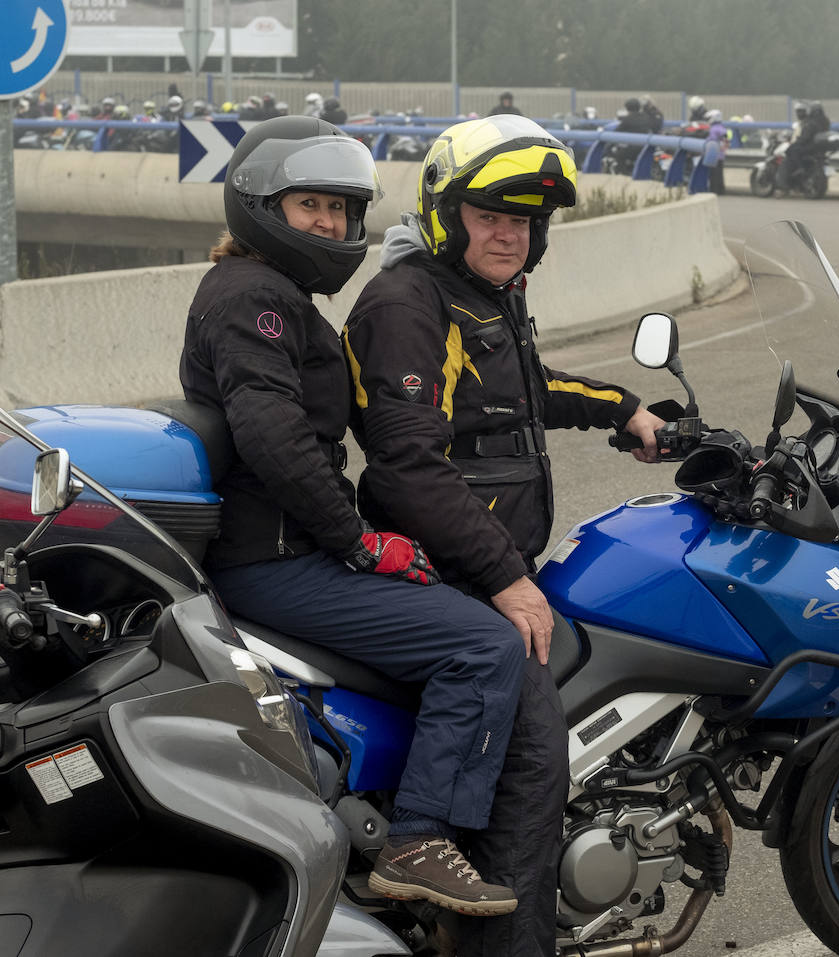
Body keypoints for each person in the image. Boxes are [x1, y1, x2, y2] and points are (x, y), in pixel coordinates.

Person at [179, 115, 527, 919]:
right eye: (311, 206)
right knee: (484, 642)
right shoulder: (256, 296)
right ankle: (420, 837)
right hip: (275, 557)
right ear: (262, 204)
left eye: (341, 210)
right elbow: (273, 434)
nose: (331, 225)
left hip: (283, 547)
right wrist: (360, 541)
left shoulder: (273, 294)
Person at [341, 114, 665, 957]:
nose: (510, 233)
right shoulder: (408, 301)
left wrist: (622, 408)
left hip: (480, 566)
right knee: (533, 764)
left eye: (524, 220)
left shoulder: (481, 295)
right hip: (451, 574)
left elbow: (522, 389)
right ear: (448, 213)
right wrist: (503, 580)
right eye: (492, 215)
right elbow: (408, 464)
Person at [779, 100, 831, 192]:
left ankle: (800, 168)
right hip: (820, 148)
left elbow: (805, 137)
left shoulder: (811, 122)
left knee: (791, 150)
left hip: (810, 146)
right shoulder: (825, 121)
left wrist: (796, 143)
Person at [703, 108, 728, 195]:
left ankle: (714, 190)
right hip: (721, 155)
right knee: (720, 174)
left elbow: (711, 140)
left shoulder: (713, 129)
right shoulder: (722, 127)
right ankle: (721, 190)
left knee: (713, 174)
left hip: (714, 155)